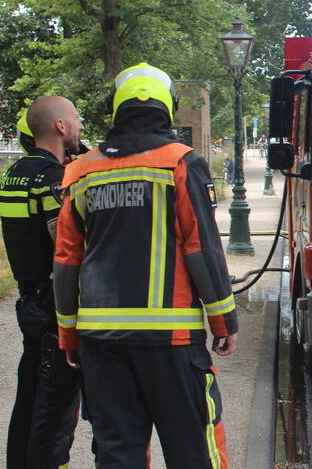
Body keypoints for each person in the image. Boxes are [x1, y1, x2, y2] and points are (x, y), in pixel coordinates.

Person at [54, 62, 238, 468]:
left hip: (101, 343)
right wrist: (224, 322)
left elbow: (67, 261)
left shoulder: (81, 171)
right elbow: (201, 248)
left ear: (115, 110)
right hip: (170, 342)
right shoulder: (180, 162)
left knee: (119, 451)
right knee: (194, 448)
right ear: (167, 109)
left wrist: (68, 335)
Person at [0, 96, 85, 468]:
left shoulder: (14, 173)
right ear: (61, 127)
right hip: (51, 306)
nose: (81, 126)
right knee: (54, 408)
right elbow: (63, 245)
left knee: (29, 397)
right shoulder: (51, 180)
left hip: (28, 299)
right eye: (76, 119)